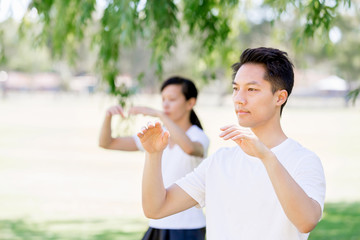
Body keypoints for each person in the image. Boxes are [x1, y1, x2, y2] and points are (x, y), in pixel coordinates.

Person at [137, 47, 326, 240]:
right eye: (236, 89)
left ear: (280, 97)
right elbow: (156, 208)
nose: (239, 99)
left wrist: (267, 157)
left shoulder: (303, 160)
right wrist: (153, 155)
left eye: (251, 89)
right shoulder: (220, 161)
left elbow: (306, 221)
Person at [99, 76, 209, 240]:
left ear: (190, 103)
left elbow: (189, 148)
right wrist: (108, 117)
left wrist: (160, 115)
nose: (165, 104)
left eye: (172, 99)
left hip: (188, 227)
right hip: (157, 223)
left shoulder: (198, 136)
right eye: (163, 99)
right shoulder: (157, 136)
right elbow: (108, 143)